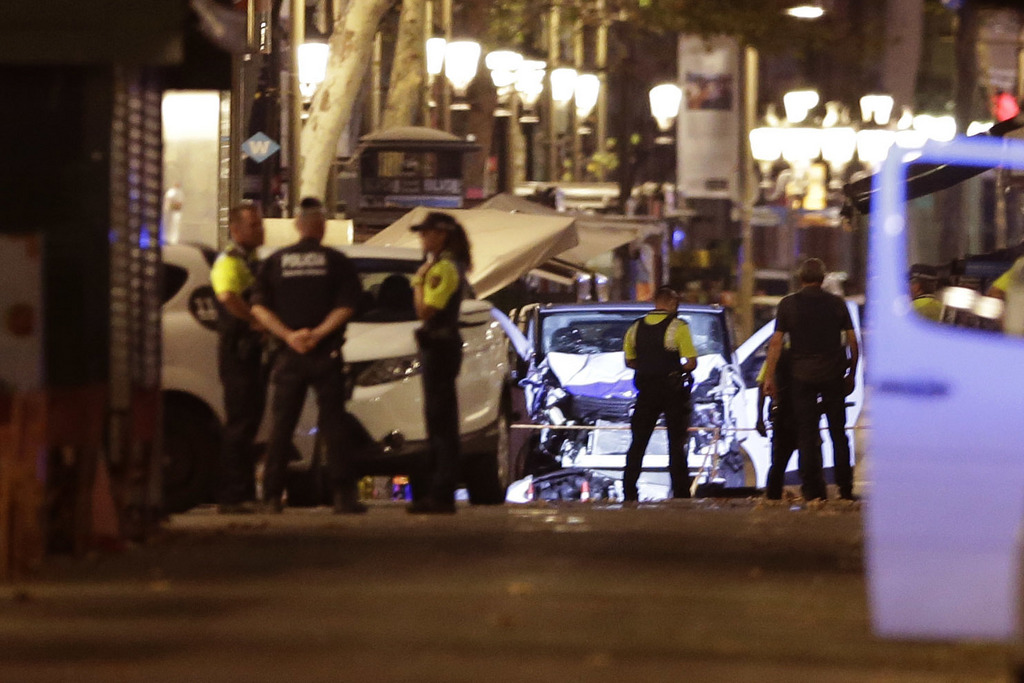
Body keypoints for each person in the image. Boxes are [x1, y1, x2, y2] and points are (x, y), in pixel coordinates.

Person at [251, 197, 366, 514]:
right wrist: (316, 334)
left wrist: (289, 335)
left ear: (297, 225)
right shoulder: (337, 262)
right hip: (324, 352)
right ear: (322, 227)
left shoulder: (276, 261)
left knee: (282, 426)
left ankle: (272, 496)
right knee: (334, 426)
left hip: (288, 355)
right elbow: (346, 306)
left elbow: (258, 306)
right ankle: (343, 497)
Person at [764, 258, 858, 501]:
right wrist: (852, 373)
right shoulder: (837, 304)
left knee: (806, 433)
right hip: (833, 375)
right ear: (823, 278)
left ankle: (813, 489)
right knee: (838, 433)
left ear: (800, 278)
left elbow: (775, 343)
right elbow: (853, 341)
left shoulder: (788, 305)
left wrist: (769, 377)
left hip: (801, 376)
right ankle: (845, 488)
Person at [407, 212, 473, 514]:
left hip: (440, 346)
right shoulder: (449, 265)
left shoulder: (443, 268)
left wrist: (418, 281)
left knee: (441, 421)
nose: (422, 238)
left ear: (441, 235)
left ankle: (442, 492)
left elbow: (426, 309)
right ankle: (439, 490)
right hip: (442, 347)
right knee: (439, 420)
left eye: (426, 233)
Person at [210, 202, 266, 514]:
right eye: (254, 225)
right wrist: (253, 321)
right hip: (237, 351)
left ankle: (243, 492)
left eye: (260, 224)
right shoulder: (228, 261)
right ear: (236, 229)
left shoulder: (251, 260)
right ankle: (231, 495)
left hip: (249, 350)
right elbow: (227, 297)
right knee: (239, 423)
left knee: (249, 422)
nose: (261, 230)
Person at [621, 286, 698, 502]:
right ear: (672, 303)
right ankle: (680, 492)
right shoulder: (679, 327)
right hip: (672, 392)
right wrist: (676, 370)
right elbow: (691, 363)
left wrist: (647, 367)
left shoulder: (635, 328)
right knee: (676, 443)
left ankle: (629, 491)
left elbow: (629, 361)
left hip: (645, 391)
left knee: (638, 443)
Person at [755, 346, 800, 500]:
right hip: (797, 413)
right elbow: (762, 387)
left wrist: (759, 418)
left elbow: (761, 387)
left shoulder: (777, 355)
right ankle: (814, 495)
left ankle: (773, 497)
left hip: (784, 413)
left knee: (778, 463)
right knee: (807, 459)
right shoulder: (796, 353)